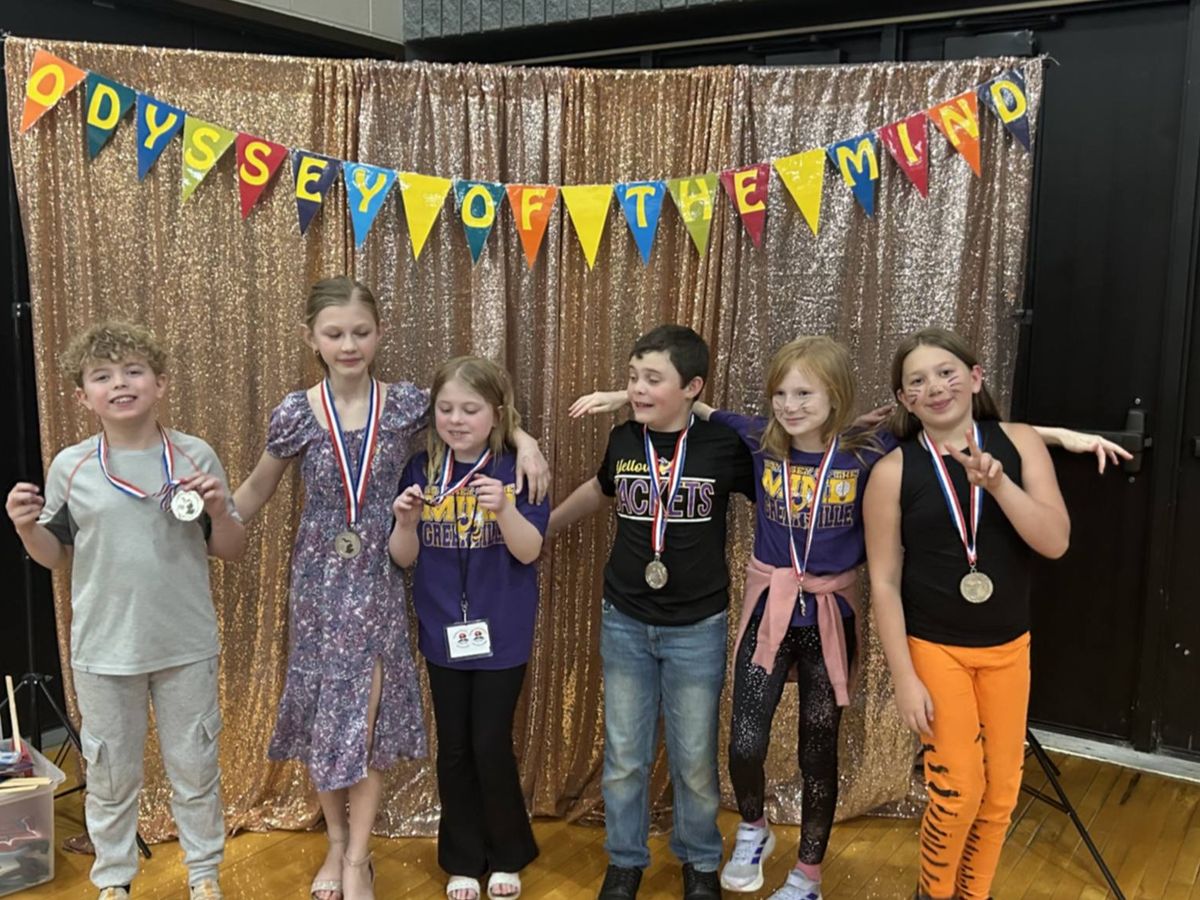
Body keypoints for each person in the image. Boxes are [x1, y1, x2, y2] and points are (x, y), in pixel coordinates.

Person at [571, 334, 1128, 900]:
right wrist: (624, 395)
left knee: (819, 748)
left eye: (805, 394)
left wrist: (1058, 436)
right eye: (781, 394)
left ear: (834, 396)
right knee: (744, 742)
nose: (790, 406)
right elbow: (699, 407)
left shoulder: (868, 448)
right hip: (770, 609)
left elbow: (954, 428)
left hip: (830, 616)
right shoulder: (759, 439)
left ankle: (809, 873)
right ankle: (755, 828)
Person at [233, 276, 548, 900]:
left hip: (380, 573)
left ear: (379, 335)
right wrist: (211, 521)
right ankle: (336, 846)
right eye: (334, 334)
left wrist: (526, 440)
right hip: (319, 578)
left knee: (367, 719)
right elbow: (257, 487)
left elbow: (474, 410)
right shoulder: (296, 412)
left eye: (360, 332)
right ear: (312, 339)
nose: (348, 345)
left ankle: (358, 857)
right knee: (324, 715)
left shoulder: (405, 404)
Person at [5, 321, 245, 900]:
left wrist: (220, 509)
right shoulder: (72, 466)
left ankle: (204, 875)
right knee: (111, 777)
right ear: (82, 396)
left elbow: (229, 548)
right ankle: (114, 879)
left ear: (160, 383)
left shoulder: (194, 455)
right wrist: (25, 528)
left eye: (134, 371)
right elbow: (55, 557)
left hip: (185, 644)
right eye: (102, 376)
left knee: (196, 770)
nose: (120, 383)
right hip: (104, 650)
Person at [864, 327, 1072, 900]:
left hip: (1008, 647)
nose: (934, 387)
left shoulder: (1020, 443)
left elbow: (1054, 542)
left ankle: (973, 894)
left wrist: (1000, 486)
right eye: (917, 381)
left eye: (946, 372)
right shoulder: (892, 472)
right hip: (936, 650)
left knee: (1001, 794)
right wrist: (904, 677)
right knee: (957, 792)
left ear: (976, 378)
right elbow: (883, 582)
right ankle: (933, 894)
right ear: (905, 400)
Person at [550, 325, 755, 900]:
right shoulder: (623, 439)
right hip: (626, 619)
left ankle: (699, 861)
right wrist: (547, 528)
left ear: (693, 386)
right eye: (632, 378)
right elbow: (600, 490)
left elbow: (773, 444)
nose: (637, 389)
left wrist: (698, 410)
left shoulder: (722, 446)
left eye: (652, 380)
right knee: (624, 756)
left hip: (697, 626)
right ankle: (625, 860)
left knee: (694, 759)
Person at [390, 356, 549, 900]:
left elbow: (529, 551)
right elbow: (403, 557)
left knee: (490, 743)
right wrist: (406, 523)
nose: (456, 420)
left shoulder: (517, 468)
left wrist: (505, 510)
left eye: (470, 409)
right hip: (442, 633)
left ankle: (507, 854)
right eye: (446, 408)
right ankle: (462, 859)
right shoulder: (421, 469)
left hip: (503, 633)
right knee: (454, 748)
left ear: (497, 415)